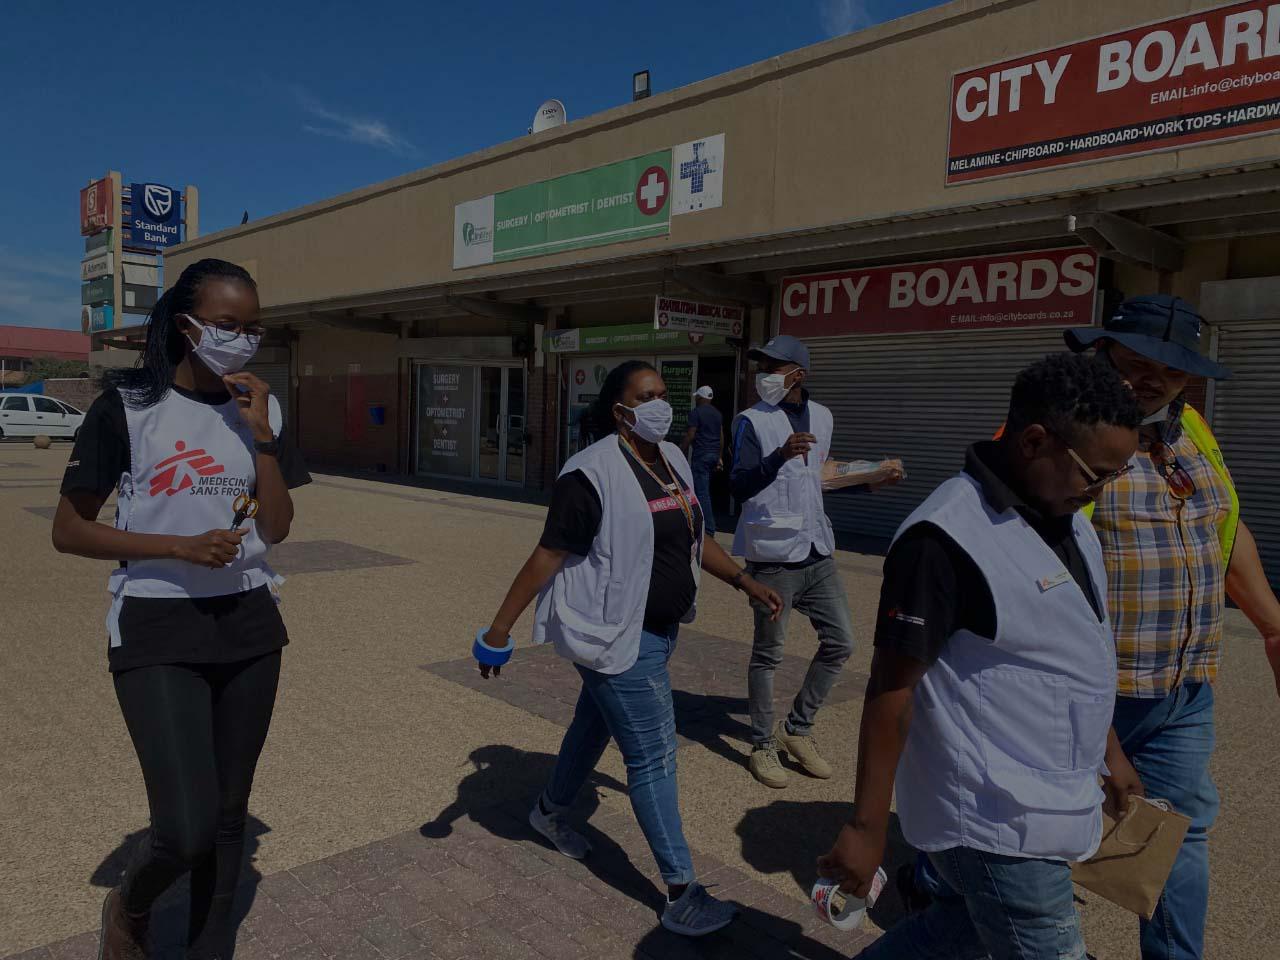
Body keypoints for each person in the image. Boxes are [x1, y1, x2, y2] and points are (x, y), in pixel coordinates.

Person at [818, 353, 1141, 959]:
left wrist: (1111, 754)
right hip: (996, 816)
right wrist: (866, 827)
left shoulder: (1066, 516)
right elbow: (891, 688)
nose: (1103, 489)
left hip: (1047, 798)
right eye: (1096, 474)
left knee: (953, 935)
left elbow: (1069, 657)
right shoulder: (942, 541)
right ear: (1034, 441)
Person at [51, 259, 311, 960]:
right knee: (184, 828)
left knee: (230, 818)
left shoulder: (265, 407)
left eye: (253, 326)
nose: (243, 338)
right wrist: (177, 548)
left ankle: (208, 948)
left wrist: (260, 436)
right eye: (228, 324)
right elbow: (68, 529)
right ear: (187, 323)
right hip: (157, 621)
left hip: (251, 622)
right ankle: (130, 906)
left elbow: (279, 527)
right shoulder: (128, 407)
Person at [477, 360, 783, 937]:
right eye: (648, 397)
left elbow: (696, 537)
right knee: (654, 757)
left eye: (665, 394)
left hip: (659, 631)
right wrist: (498, 631)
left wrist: (743, 580)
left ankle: (546, 813)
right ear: (620, 410)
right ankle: (681, 892)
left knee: (592, 726)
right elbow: (547, 554)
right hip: (616, 634)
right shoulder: (588, 474)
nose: (662, 405)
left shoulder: (669, 461)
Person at [1063, 295, 1280, 960]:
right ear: (1101, 354)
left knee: (1179, 832)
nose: (1150, 379)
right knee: (1035, 829)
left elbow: (1223, 525)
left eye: (1172, 369)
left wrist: (1274, 626)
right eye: (1133, 361)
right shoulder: (1060, 433)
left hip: (1183, 691)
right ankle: (945, 889)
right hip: (1082, 689)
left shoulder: (1193, 432)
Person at [731, 335, 887, 788]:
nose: (764, 375)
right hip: (773, 555)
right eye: (762, 366)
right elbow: (738, 486)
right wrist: (779, 456)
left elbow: (815, 477)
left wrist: (867, 483)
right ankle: (762, 744)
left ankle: (796, 730)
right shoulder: (750, 422)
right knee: (768, 655)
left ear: (798, 374)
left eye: (774, 367)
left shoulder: (823, 417)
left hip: (817, 549)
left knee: (841, 642)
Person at [681, 385, 724, 537]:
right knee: (705, 491)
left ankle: (708, 529)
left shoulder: (696, 412)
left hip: (701, 455)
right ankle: (702, 523)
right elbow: (721, 437)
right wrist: (719, 457)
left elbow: (691, 435)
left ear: (700, 397)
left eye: (696, 397)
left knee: (701, 493)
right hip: (713, 455)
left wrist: (681, 451)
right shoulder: (717, 414)